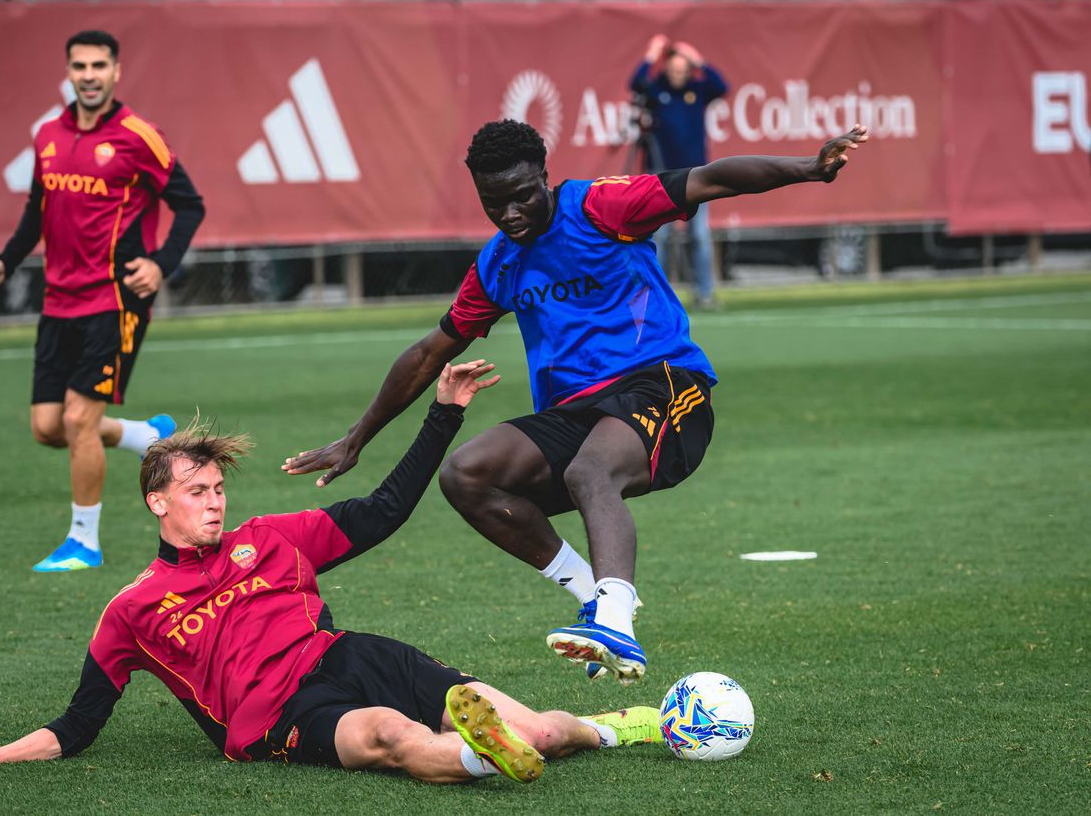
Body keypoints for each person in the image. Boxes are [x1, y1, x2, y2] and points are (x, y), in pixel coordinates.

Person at [284, 118, 868, 683]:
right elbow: (427, 352)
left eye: (520, 196)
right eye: (493, 203)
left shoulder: (600, 207)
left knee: (591, 470)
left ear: (544, 174)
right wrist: (356, 439)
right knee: (467, 475)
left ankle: (615, 618)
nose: (510, 214)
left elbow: (711, 178)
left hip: (664, 384)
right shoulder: (497, 262)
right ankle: (594, 596)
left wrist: (809, 169)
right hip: (575, 412)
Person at [0, 361, 665, 785]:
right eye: (196, 492)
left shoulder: (271, 540)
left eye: (218, 489)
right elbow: (77, 727)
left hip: (347, 653)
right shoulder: (131, 611)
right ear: (157, 502)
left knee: (531, 725)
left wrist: (443, 410)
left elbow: (387, 508)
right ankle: (479, 754)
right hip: (279, 715)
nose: (214, 502)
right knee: (392, 737)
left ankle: (616, 729)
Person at [0, 30, 205, 572]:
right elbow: (36, 210)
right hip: (58, 301)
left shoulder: (138, 136)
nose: (90, 74)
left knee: (79, 420)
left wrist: (160, 264)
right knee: (48, 428)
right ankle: (143, 436)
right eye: (80, 66)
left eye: (100, 65)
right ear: (69, 71)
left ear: (116, 71)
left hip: (115, 300)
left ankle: (84, 542)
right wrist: (6, 260)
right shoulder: (49, 134)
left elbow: (189, 205)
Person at [630, 35, 728, 309]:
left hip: (696, 174)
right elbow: (635, 84)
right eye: (673, 68)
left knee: (698, 235)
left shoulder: (697, 90)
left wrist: (698, 59)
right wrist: (651, 55)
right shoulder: (657, 90)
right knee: (660, 236)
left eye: (682, 69)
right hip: (662, 176)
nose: (677, 74)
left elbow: (721, 85)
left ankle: (704, 293)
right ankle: (656, 296)